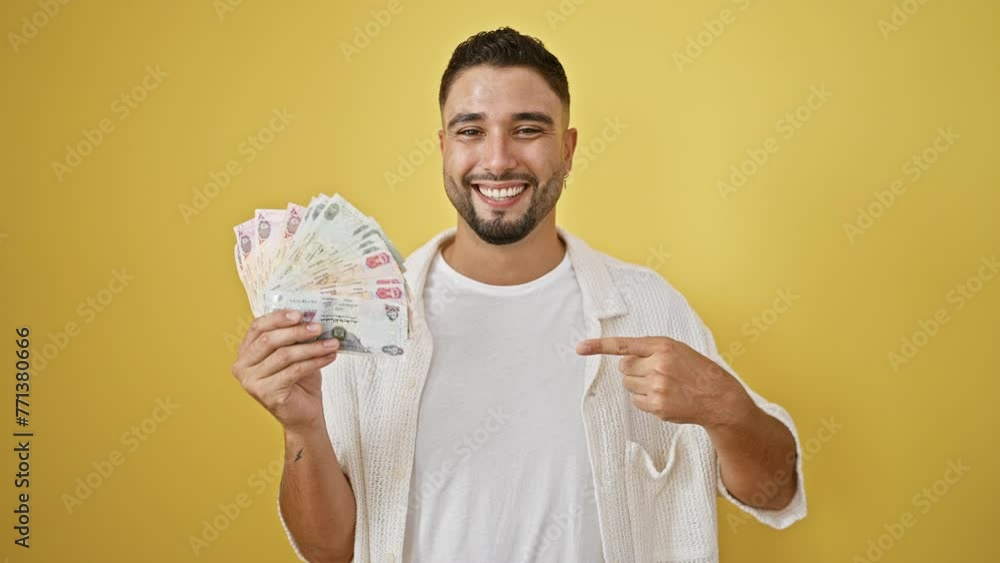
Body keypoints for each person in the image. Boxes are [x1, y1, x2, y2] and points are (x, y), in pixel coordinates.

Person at [230, 27, 806, 563]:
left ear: (569, 149)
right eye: (471, 130)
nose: (498, 158)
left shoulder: (650, 308)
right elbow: (331, 551)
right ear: (443, 147)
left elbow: (776, 493)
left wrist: (727, 409)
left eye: (528, 129)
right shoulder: (364, 325)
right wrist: (302, 428)